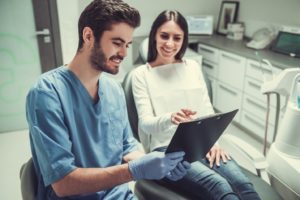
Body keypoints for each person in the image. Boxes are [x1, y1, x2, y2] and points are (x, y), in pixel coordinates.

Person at [26, 1, 191, 200]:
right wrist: (133, 171)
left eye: (127, 45)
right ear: (88, 36)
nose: (124, 54)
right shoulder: (47, 92)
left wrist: (161, 164)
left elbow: (127, 148)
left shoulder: (114, 89)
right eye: (117, 43)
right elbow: (63, 183)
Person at [132, 10, 262, 200]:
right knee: (219, 185)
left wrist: (213, 142)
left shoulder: (192, 67)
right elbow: (145, 123)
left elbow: (207, 110)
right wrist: (170, 118)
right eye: (164, 36)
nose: (170, 43)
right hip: (166, 150)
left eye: (177, 38)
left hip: (201, 144)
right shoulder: (141, 75)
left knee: (242, 184)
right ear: (154, 36)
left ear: (184, 40)